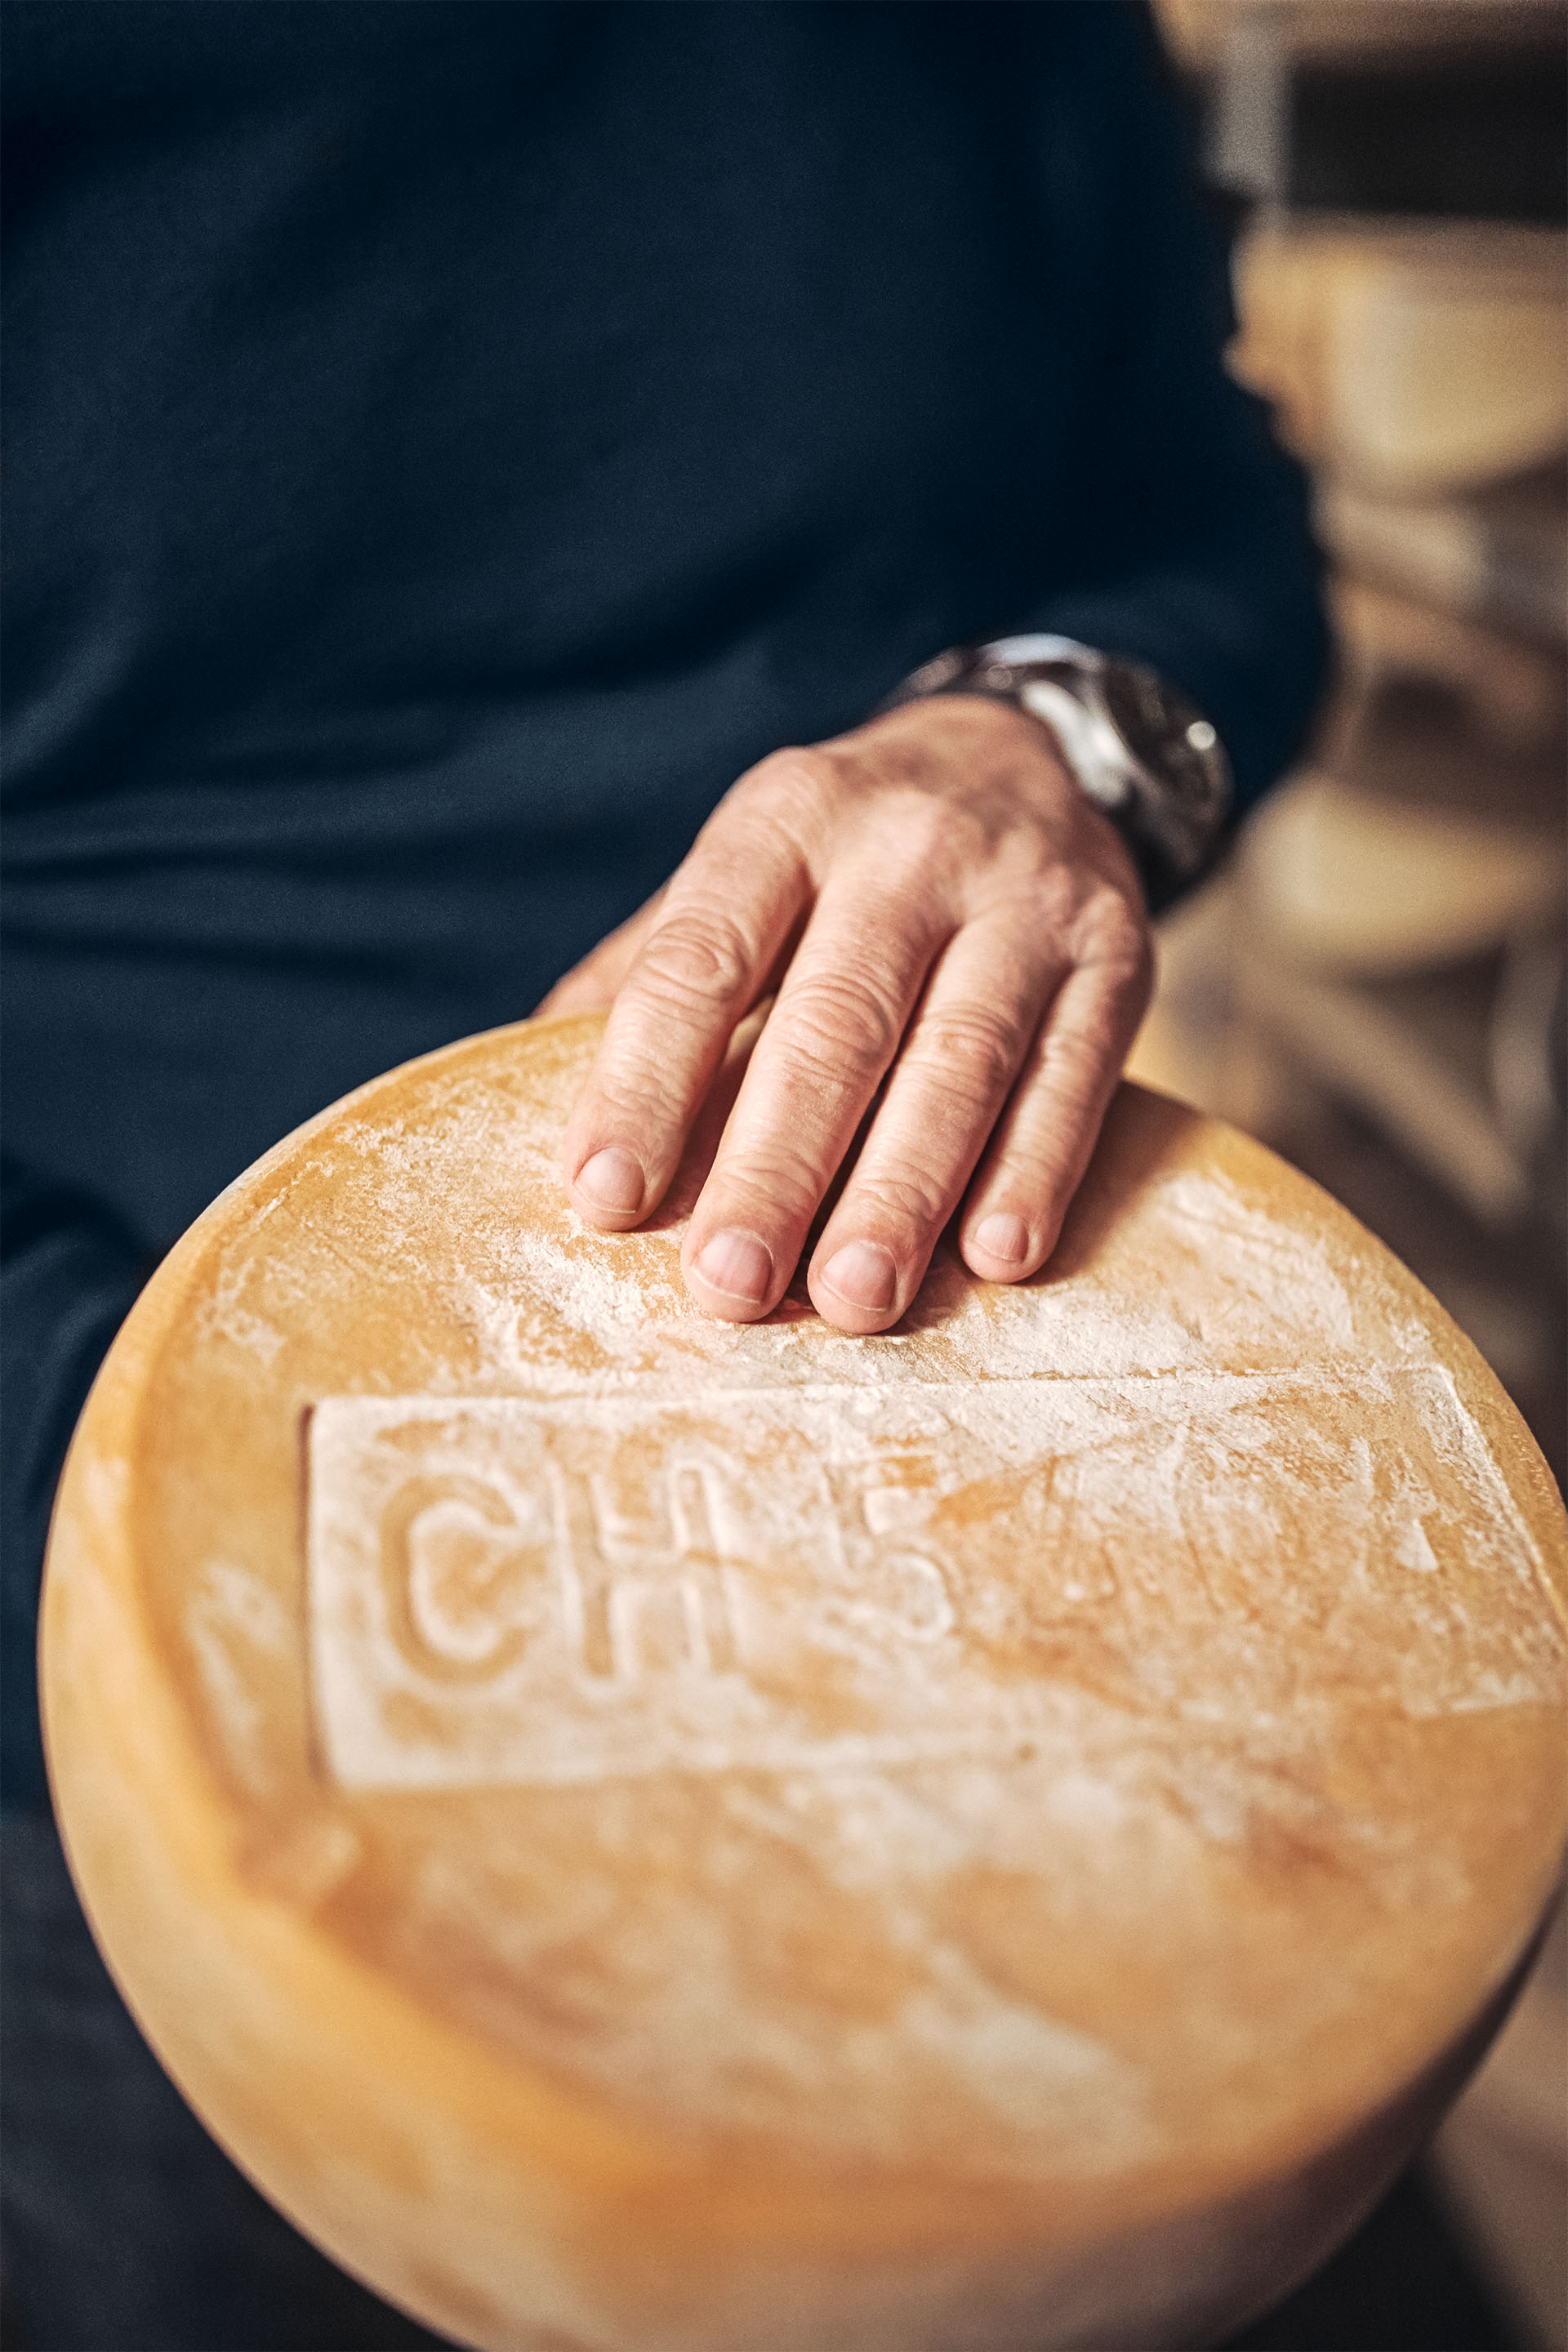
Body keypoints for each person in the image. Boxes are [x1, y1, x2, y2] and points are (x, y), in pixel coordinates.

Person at [1, 5, 1327, 2343]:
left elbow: (1200, 513)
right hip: (151, 1595)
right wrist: (123, 1507)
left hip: (982, 1533)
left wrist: (1042, 744)